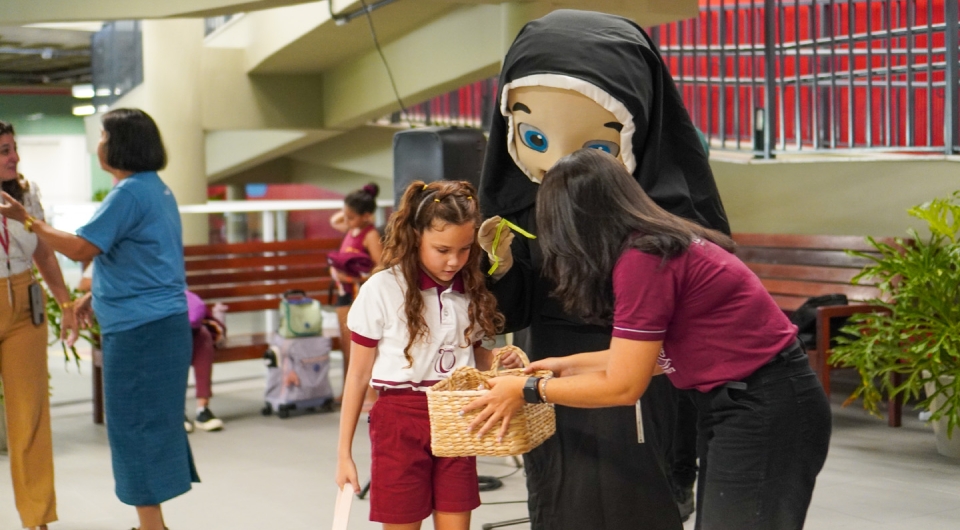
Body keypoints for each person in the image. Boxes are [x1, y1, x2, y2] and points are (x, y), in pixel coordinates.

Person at [466, 149, 833, 530]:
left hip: (765, 403)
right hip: (749, 400)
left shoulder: (644, 260)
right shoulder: (654, 242)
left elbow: (624, 386)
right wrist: (564, 365)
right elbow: (649, 358)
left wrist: (528, 390)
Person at [476, 10, 730, 529]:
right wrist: (499, 269)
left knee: (636, 492)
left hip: (638, 364)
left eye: (596, 148)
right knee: (558, 492)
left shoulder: (660, 218)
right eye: (537, 140)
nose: (563, 167)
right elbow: (509, 312)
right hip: (551, 358)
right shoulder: (520, 208)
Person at [0, 108, 199, 530]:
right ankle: (152, 523)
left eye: (104, 136)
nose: (99, 144)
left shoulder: (129, 194)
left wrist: (27, 220)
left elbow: (79, 248)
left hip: (141, 330)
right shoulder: (154, 189)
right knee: (149, 425)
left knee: (133, 427)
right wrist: (96, 297)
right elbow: (144, 260)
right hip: (156, 324)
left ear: (121, 145)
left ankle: (151, 527)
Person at [336, 180, 518, 530]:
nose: (454, 261)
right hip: (399, 421)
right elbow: (357, 376)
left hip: (458, 416)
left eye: (464, 249)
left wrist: (499, 362)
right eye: (442, 249)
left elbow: (475, 357)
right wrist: (344, 454)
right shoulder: (382, 289)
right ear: (416, 236)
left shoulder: (471, 289)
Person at [0, 121, 79, 530]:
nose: (14, 157)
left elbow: (44, 253)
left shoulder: (26, 195)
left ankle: (37, 520)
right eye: (4, 151)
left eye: (13, 148)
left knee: (29, 415)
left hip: (24, 303)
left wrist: (65, 302)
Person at [328, 183, 383, 407]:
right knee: (346, 347)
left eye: (351, 217)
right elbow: (334, 220)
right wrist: (355, 201)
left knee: (361, 348)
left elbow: (381, 267)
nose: (346, 220)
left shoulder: (370, 235)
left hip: (358, 294)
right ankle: (348, 392)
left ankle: (369, 395)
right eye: (346, 216)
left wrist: (355, 279)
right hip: (344, 294)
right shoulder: (351, 229)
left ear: (367, 216)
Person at [185, 290, 228, 432]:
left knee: (203, 336)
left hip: (189, 325)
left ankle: (203, 409)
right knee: (172, 344)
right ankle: (176, 412)